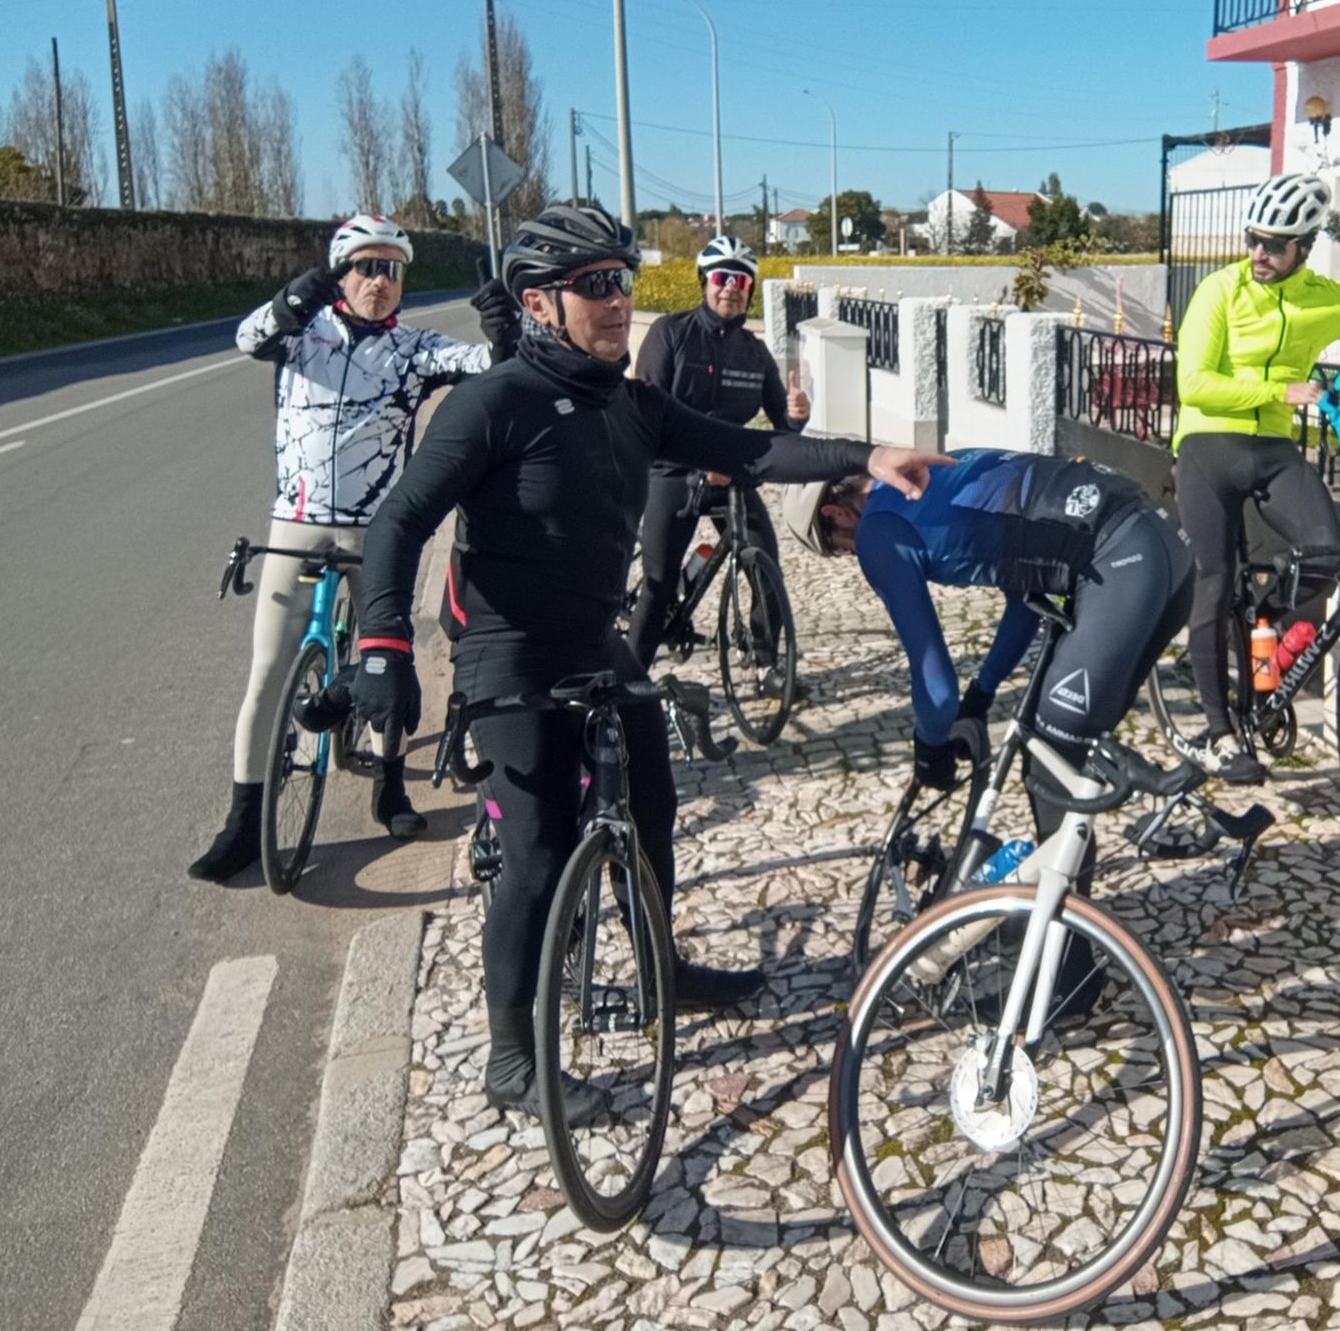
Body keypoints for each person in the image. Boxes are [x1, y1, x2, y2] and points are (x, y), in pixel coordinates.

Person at [345, 204, 943, 1120]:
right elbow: (400, 520)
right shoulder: (494, 402)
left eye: (623, 281)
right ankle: (513, 1060)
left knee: (652, 803)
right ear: (539, 304)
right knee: (537, 855)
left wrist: (869, 452)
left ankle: (662, 964)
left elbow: (751, 448)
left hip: (595, 638)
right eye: (597, 284)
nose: (620, 300)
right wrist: (383, 643)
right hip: (509, 651)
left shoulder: (630, 405)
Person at [785, 449, 1195, 1013]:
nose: (849, 554)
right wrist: (981, 697)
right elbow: (1026, 594)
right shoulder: (936, 475)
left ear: (835, 516)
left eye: (836, 548)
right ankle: (1064, 946)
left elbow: (934, 681)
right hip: (1157, 552)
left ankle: (1069, 981)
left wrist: (930, 746)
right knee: (1058, 760)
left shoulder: (878, 531)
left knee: (1052, 765)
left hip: (1121, 562)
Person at [189, 214, 515, 883]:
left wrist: (504, 333)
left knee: (386, 662)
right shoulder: (300, 337)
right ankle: (243, 824)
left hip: (379, 531)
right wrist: (289, 301)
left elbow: (489, 369)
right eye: (366, 267)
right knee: (267, 674)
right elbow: (248, 337)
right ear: (340, 275)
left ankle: (389, 784)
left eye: (392, 270)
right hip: (297, 523)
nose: (380, 281)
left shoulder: (413, 349)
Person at [1172, 171, 1340, 783]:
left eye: (1274, 244)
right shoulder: (1220, 290)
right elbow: (1193, 383)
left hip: (1272, 450)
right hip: (1207, 444)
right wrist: (1280, 390)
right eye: (1253, 239)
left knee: (1329, 554)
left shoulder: (1325, 299)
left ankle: (1262, 626)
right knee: (1215, 579)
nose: (1258, 253)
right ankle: (1219, 733)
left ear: (1304, 248)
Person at [627, 235, 809, 686]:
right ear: (704, 282)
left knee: (765, 565)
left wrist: (796, 414)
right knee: (658, 584)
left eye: (741, 281)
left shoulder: (754, 352)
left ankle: (766, 664)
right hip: (672, 472)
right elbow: (644, 416)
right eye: (722, 277)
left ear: (750, 290)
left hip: (730, 474)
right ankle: (628, 683)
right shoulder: (670, 333)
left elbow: (783, 429)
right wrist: (696, 465)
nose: (731, 287)